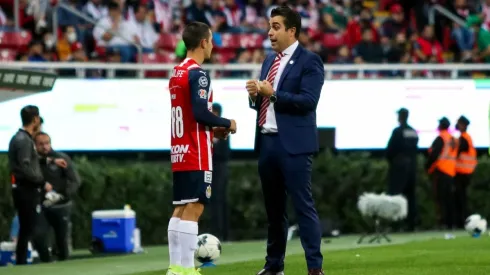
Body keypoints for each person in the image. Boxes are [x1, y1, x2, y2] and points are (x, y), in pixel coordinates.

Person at [245, 5, 325, 275]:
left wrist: (274, 93)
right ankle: (274, 266)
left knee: (304, 208)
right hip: (267, 143)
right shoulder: (269, 60)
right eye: (270, 26)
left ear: (292, 31)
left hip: (294, 146)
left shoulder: (309, 60)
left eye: (276, 27)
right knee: (274, 211)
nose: (270, 32)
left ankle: (315, 268)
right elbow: (263, 103)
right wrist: (255, 96)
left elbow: (308, 102)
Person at [166, 22, 237, 275]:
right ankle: (187, 269)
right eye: (211, 40)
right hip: (197, 151)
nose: (213, 45)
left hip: (180, 148)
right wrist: (226, 123)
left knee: (181, 207)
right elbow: (199, 112)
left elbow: (187, 113)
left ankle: (175, 268)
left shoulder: (177, 71)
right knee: (195, 207)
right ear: (204, 42)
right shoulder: (199, 73)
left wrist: (211, 128)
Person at [8, 106, 65, 264]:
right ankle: (39, 260)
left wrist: (52, 160)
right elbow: (25, 167)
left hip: (25, 188)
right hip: (26, 189)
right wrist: (42, 182)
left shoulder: (22, 138)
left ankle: (23, 262)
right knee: (31, 228)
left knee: (27, 228)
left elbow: (33, 160)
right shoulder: (23, 140)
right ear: (35, 119)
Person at [34, 131, 81, 261]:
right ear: (35, 145)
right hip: (41, 205)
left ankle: (64, 265)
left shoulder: (62, 158)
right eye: (41, 144)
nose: (44, 147)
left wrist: (61, 195)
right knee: (39, 237)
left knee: (62, 240)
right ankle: (46, 263)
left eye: (47, 143)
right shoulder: (33, 162)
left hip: (61, 205)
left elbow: (75, 180)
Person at [385, 108, 419, 231]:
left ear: (401, 117)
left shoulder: (397, 131)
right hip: (412, 168)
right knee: (411, 197)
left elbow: (390, 150)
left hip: (399, 168)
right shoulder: (413, 132)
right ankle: (411, 224)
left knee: (396, 196)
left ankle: (396, 225)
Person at [426, 117, 457, 232]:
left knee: (441, 199)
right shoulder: (452, 138)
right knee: (449, 199)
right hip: (451, 172)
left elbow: (433, 155)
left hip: (441, 171)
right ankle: (451, 223)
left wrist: (427, 168)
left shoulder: (441, 138)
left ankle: (443, 223)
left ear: (440, 125)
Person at [210, 103, 231, 242]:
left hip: (220, 169)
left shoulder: (223, 130)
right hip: (209, 169)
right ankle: (214, 232)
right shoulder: (206, 129)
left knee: (220, 201)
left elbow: (225, 153)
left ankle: (223, 234)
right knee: (211, 202)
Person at [454, 115, 477, 228]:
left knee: (461, 199)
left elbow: (456, 153)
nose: (457, 125)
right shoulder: (466, 138)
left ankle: (463, 222)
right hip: (465, 172)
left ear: (463, 125)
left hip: (462, 173)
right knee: (462, 198)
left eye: (458, 123)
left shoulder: (463, 139)